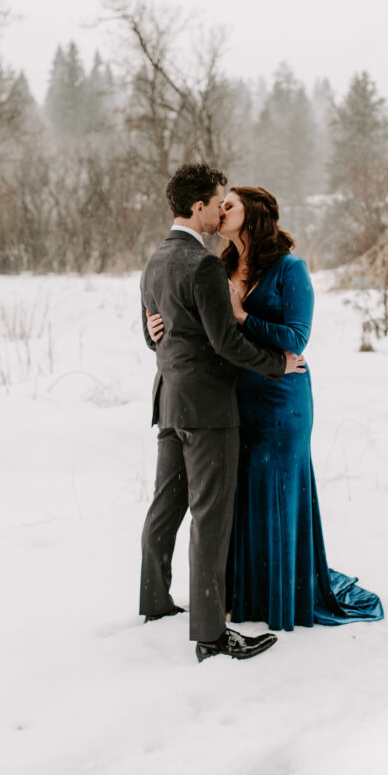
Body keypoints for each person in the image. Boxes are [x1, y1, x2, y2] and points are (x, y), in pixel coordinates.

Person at [148, 185, 384, 631]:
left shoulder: (290, 270)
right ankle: (247, 594)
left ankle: (282, 595)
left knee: (275, 489)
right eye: (219, 204)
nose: (221, 210)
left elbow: (296, 339)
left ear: (252, 213)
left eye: (229, 204)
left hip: (281, 396)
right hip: (233, 396)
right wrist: (155, 324)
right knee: (241, 493)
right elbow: (203, 329)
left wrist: (243, 317)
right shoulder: (218, 266)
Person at [139, 164, 306, 663]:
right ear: (198, 208)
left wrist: (154, 335)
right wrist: (279, 363)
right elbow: (226, 343)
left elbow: (153, 334)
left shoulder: (155, 260)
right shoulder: (203, 264)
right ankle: (211, 637)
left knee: (166, 507)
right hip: (208, 408)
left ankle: (154, 600)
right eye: (216, 201)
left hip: (169, 401)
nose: (220, 209)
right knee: (211, 520)